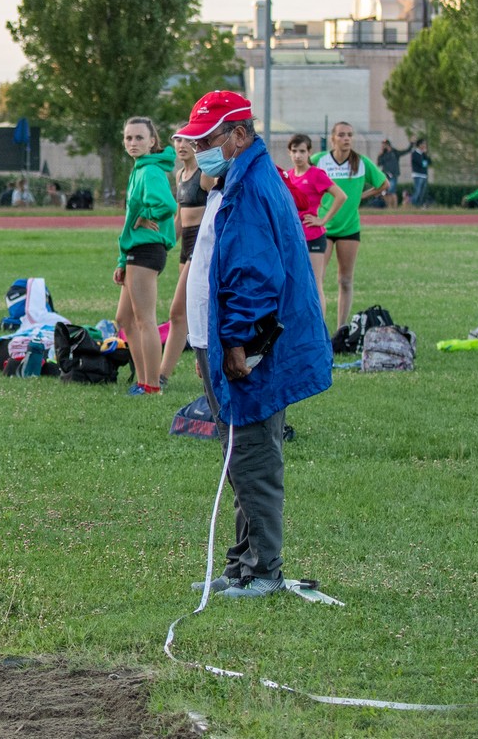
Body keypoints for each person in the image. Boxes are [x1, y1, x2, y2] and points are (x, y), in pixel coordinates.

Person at [174, 90, 331, 598]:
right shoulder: (235, 178)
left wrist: (237, 343)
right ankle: (242, 564)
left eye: (207, 140)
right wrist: (205, 345)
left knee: (254, 458)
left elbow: (254, 276)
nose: (199, 150)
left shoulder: (251, 185)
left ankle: (264, 570)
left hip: (247, 346)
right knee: (238, 456)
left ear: (239, 135)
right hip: (218, 341)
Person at [114, 117, 177, 395]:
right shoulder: (139, 168)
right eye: (128, 138)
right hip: (134, 252)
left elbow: (167, 205)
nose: (133, 143)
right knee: (125, 319)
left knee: (145, 320)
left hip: (147, 251)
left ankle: (152, 385)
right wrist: (121, 261)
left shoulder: (150, 170)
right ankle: (142, 380)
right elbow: (130, 222)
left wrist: (145, 216)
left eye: (139, 138)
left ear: (152, 141)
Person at [312, 121, 387, 336]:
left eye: (349, 135)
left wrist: (360, 196)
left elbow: (384, 184)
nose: (346, 139)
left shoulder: (361, 163)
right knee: (317, 280)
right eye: (342, 135)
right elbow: (301, 178)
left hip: (349, 228)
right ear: (333, 138)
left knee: (345, 280)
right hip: (323, 227)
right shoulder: (319, 160)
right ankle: (317, 328)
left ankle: (341, 329)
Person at [160, 135, 219, 383]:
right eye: (177, 141)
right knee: (188, 313)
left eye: (187, 141)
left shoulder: (205, 175)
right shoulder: (179, 175)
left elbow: (219, 207)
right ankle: (197, 367)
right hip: (185, 249)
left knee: (177, 311)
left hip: (201, 247)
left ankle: (161, 375)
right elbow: (179, 218)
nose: (182, 145)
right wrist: (162, 246)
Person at [279, 133, 347, 318]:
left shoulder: (316, 174)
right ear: (289, 152)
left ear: (309, 152)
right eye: (294, 151)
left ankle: (319, 327)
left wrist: (322, 220)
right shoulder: (287, 176)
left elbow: (341, 196)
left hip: (313, 237)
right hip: (293, 236)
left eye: (302, 151)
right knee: (293, 283)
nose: (298, 155)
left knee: (315, 284)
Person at [375, 139, 408, 208]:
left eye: (384, 145)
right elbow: (378, 164)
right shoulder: (383, 154)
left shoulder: (394, 152)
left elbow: (405, 151)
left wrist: (411, 144)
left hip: (393, 175)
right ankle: (389, 206)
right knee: (385, 192)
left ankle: (394, 207)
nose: (382, 146)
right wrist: (379, 155)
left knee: (392, 191)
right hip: (385, 175)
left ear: (388, 145)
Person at [409, 138, 431, 207]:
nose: (425, 145)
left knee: (422, 192)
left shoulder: (423, 154)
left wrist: (425, 154)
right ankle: (413, 205)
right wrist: (425, 162)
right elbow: (421, 163)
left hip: (424, 175)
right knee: (417, 191)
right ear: (419, 145)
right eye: (423, 144)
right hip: (418, 175)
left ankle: (419, 205)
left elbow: (430, 162)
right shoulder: (415, 153)